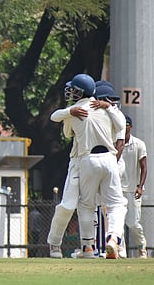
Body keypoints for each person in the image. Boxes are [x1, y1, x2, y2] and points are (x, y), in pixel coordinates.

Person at [47, 79, 124, 258]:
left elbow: (62, 127)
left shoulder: (74, 113)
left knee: (83, 205)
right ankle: (112, 239)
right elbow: (120, 126)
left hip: (84, 160)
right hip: (109, 159)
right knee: (116, 205)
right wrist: (108, 107)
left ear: (80, 92)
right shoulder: (108, 111)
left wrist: (70, 112)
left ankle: (85, 246)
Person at [119, 115, 148, 258]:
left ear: (131, 126)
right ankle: (121, 251)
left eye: (126, 125)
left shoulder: (139, 144)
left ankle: (142, 246)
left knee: (133, 223)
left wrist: (140, 186)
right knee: (118, 224)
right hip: (118, 190)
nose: (124, 128)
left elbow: (144, 167)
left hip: (133, 189)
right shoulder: (114, 143)